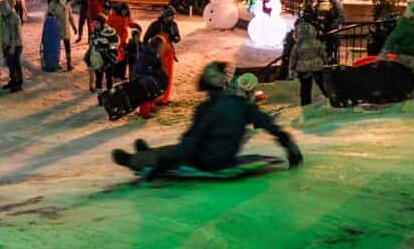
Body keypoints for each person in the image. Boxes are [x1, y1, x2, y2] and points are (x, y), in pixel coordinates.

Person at [112, 61, 303, 176]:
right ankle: (149, 153)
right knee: (173, 150)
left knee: (174, 151)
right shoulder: (245, 107)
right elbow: (270, 126)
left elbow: (192, 140)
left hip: (206, 159)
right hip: (225, 157)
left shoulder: (209, 107)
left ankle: (135, 160)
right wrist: (288, 145)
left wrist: (165, 163)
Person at [144, 6, 181, 107]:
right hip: (157, 55)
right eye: (170, 16)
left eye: (173, 16)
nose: (172, 18)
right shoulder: (155, 25)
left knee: (168, 77)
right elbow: (146, 38)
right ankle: (155, 99)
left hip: (168, 54)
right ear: (165, 15)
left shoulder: (173, 25)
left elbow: (178, 38)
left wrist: (174, 37)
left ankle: (164, 99)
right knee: (157, 76)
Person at [289, 20, 327, 106]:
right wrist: (326, 63)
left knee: (305, 87)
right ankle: (329, 97)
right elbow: (323, 54)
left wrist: (291, 71)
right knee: (322, 83)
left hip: (303, 69)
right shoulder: (316, 42)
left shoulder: (297, 45)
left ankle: (305, 104)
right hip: (317, 67)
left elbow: (293, 58)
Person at [106, 3, 142, 81]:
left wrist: (136, 25)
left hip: (123, 40)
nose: (124, 12)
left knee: (124, 58)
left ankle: (121, 75)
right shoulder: (113, 16)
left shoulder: (126, 16)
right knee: (116, 58)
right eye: (123, 11)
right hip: (115, 40)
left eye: (126, 11)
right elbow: (108, 26)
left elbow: (130, 23)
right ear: (120, 10)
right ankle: (115, 75)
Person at [88, 14, 119, 95]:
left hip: (109, 59)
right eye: (94, 23)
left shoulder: (109, 31)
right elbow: (91, 45)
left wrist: (110, 54)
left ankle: (110, 96)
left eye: (97, 23)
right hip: (98, 59)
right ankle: (100, 96)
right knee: (99, 78)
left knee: (109, 78)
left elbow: (114, 44)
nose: (95, 25)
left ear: (102, 23)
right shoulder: (94, 31)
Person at [47, 0, 78, 70]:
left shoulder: (68, 4)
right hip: (56, 29)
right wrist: (52, 16)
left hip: (66, 29)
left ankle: (69, 63)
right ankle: (56, 63)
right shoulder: (53, 4)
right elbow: (48, 15)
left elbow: (71, 17)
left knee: (68, 47)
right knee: (56, 48)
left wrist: (74, 27)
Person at [0, 0, 24, 92]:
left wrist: (12, 47)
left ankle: (18, 84)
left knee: (16, 65)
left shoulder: (14, 17)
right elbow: (5, 32)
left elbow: (15, 35)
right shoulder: (6, 17)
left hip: (16, 45)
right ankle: (13, 81)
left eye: (1, 9)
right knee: (10, 65)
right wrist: (4, 43)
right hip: (9, 44)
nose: (0, 11)